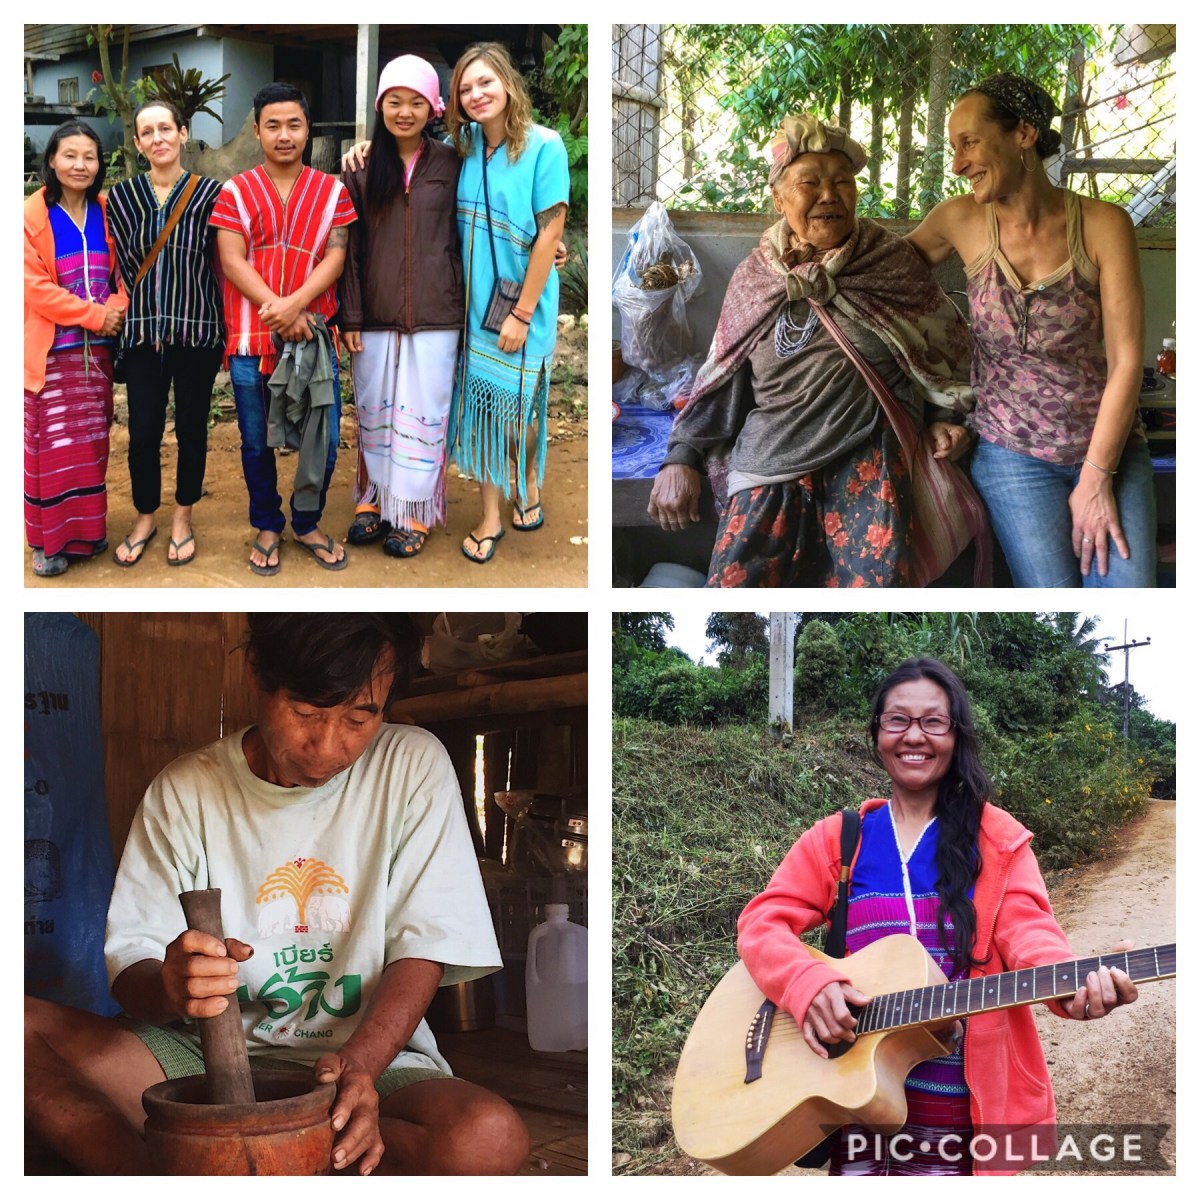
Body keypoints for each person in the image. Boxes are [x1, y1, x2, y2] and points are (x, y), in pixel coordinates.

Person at [25, 613, 530, 1176]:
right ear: (256, 672)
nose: (327, 747)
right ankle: (151, 1175)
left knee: (487, 1138)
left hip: (361, 1065)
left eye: (359, 717)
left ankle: (221, 1164)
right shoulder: (186, 790)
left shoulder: (411, 765)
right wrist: (171, 987)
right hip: (195, 1064)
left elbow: (426, 942)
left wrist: (361, 1068)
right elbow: (131, 970)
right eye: (306, 712)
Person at [737, 657, 1140, 1176]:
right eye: (898, 720)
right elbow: (762, 922)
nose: (915, 736)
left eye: (934, 721)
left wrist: (1072, 984)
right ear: (877, 731)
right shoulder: (840, 839)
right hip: (857, 1106)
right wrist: (806, 982)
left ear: (956, 735)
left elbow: (1029, 932)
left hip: (963, 1122)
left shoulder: (996, 840)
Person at [647, 115, 984, 589]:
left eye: (842, 183)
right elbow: (724, 375)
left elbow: (938, 355)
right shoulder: (757, 276)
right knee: (733, 587)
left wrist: (947, 419)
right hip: (772, 456)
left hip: (869, 451)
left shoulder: (889, 264)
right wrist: (679, 457)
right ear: (779, 198)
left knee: (873, 591)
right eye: (810, 183)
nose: (829, 195)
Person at [907, 74, 1155, 587]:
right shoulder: (960, 220)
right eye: (953, 149)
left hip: (1108, 450)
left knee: (1130, 591)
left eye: (969, 142)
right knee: (1052, 594)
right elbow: (882, 281)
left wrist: (1096, 478)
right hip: (1009, 452)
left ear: (1023, 134)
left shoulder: (1105, 225)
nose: (958, 164)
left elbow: (1127, 360)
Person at [211, 83, 357, 575]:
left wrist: (294, 307)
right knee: (255, 440)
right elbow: (231, 260)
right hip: (251, 338)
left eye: (294, 124)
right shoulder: (235, 191)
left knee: (326, 436)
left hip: (313, 340)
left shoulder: (332, 191)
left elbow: (335, 256)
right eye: (272, 125)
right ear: (256, 131)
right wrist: (278, 308)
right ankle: (268, 522)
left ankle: (307, 520)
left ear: (307, 129)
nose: (284, 135)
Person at [449, 42, 569, 564]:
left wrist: (522, 312)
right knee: (484, 412)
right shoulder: (462, 145)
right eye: (466, 88)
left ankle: (529, 478)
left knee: (519, 415)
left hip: (525, 305)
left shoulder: (545, 146)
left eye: (485, 83)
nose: (476, 95)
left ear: (508, 84)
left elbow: (551, 233)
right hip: (472, 307)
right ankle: (491, 516)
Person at [340, 56, 464, 559]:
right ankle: (372, 500)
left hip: (438, 314)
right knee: (374, 412)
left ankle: (414, 509)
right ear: (380, 106)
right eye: (395, 101)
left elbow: (482, 224)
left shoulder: (454, 164)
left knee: (423, 414)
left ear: (434, 108)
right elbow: (346, 248)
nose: (405, 111)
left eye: (416, 102)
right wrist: (349, 315)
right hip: (374, 313)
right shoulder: (361, 166)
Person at [106, 101, 224, 568]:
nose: (157, 138)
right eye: (147, 132)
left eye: (165, 128)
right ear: (137, 143)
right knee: (143, 433)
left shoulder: (211, 194)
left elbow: (224, 260)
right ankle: (145, 516)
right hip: (142, 334)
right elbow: (115, 267)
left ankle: (182, 516)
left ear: (182, 132)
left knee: (193, 427)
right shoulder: (120, 198)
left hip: (197, 331)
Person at [23, 120, 127, 578]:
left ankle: (86, 531)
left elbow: (124, 274)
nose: (80, 165)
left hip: (97, 356)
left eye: (89, 157)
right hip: (51, 355)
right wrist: (93, 314)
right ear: (51, 160)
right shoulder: (30, 215)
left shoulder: (107, 211)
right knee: (52, 448)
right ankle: (48, 542)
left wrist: (117, 306)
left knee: (91, 443)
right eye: (70, 156)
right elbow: (33, 287)